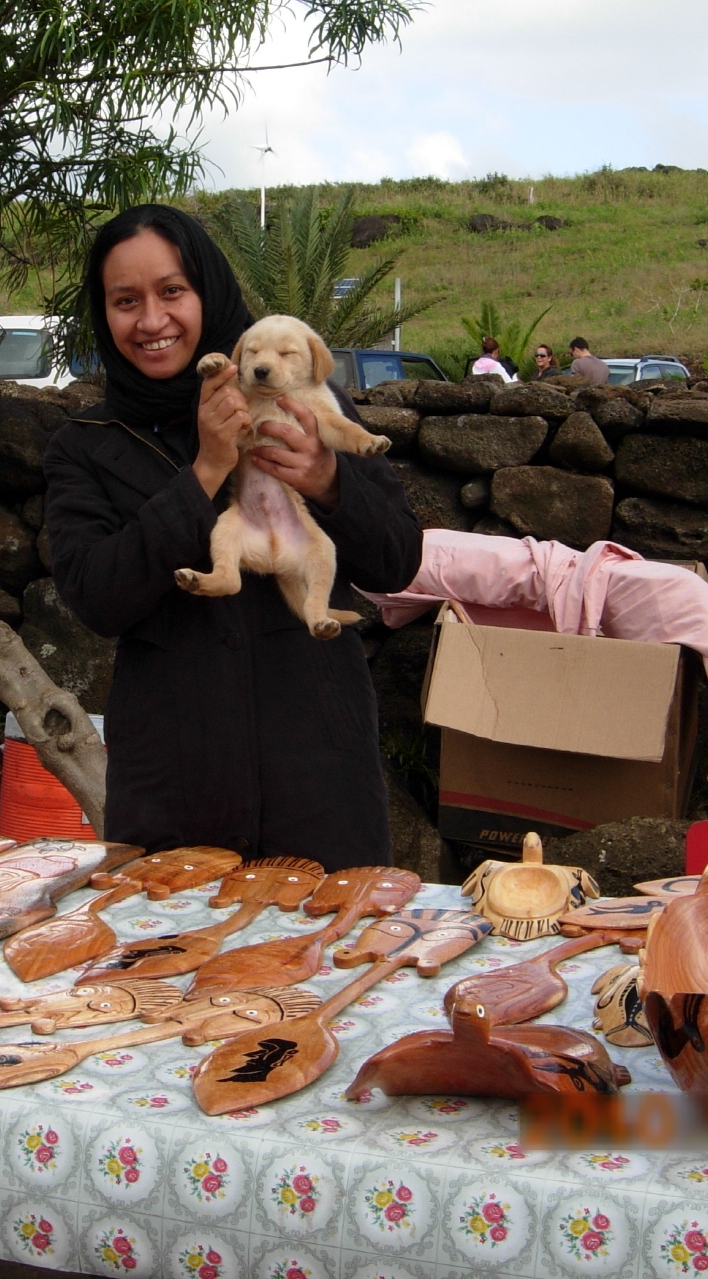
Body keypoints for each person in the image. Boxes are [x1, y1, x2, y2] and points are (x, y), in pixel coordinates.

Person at [40, 205, 423, 872]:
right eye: (125, 301)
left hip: (317, 782)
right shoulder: (86, 446)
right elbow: (99, 598)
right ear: (104, 316)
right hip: (175, 791)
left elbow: (396, 558)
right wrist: (207, 469)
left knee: (325, 966)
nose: (152, 320)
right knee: (170, 969)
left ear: (208, 291)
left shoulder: (303, 400)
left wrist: (330, 480)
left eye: (172, 292)